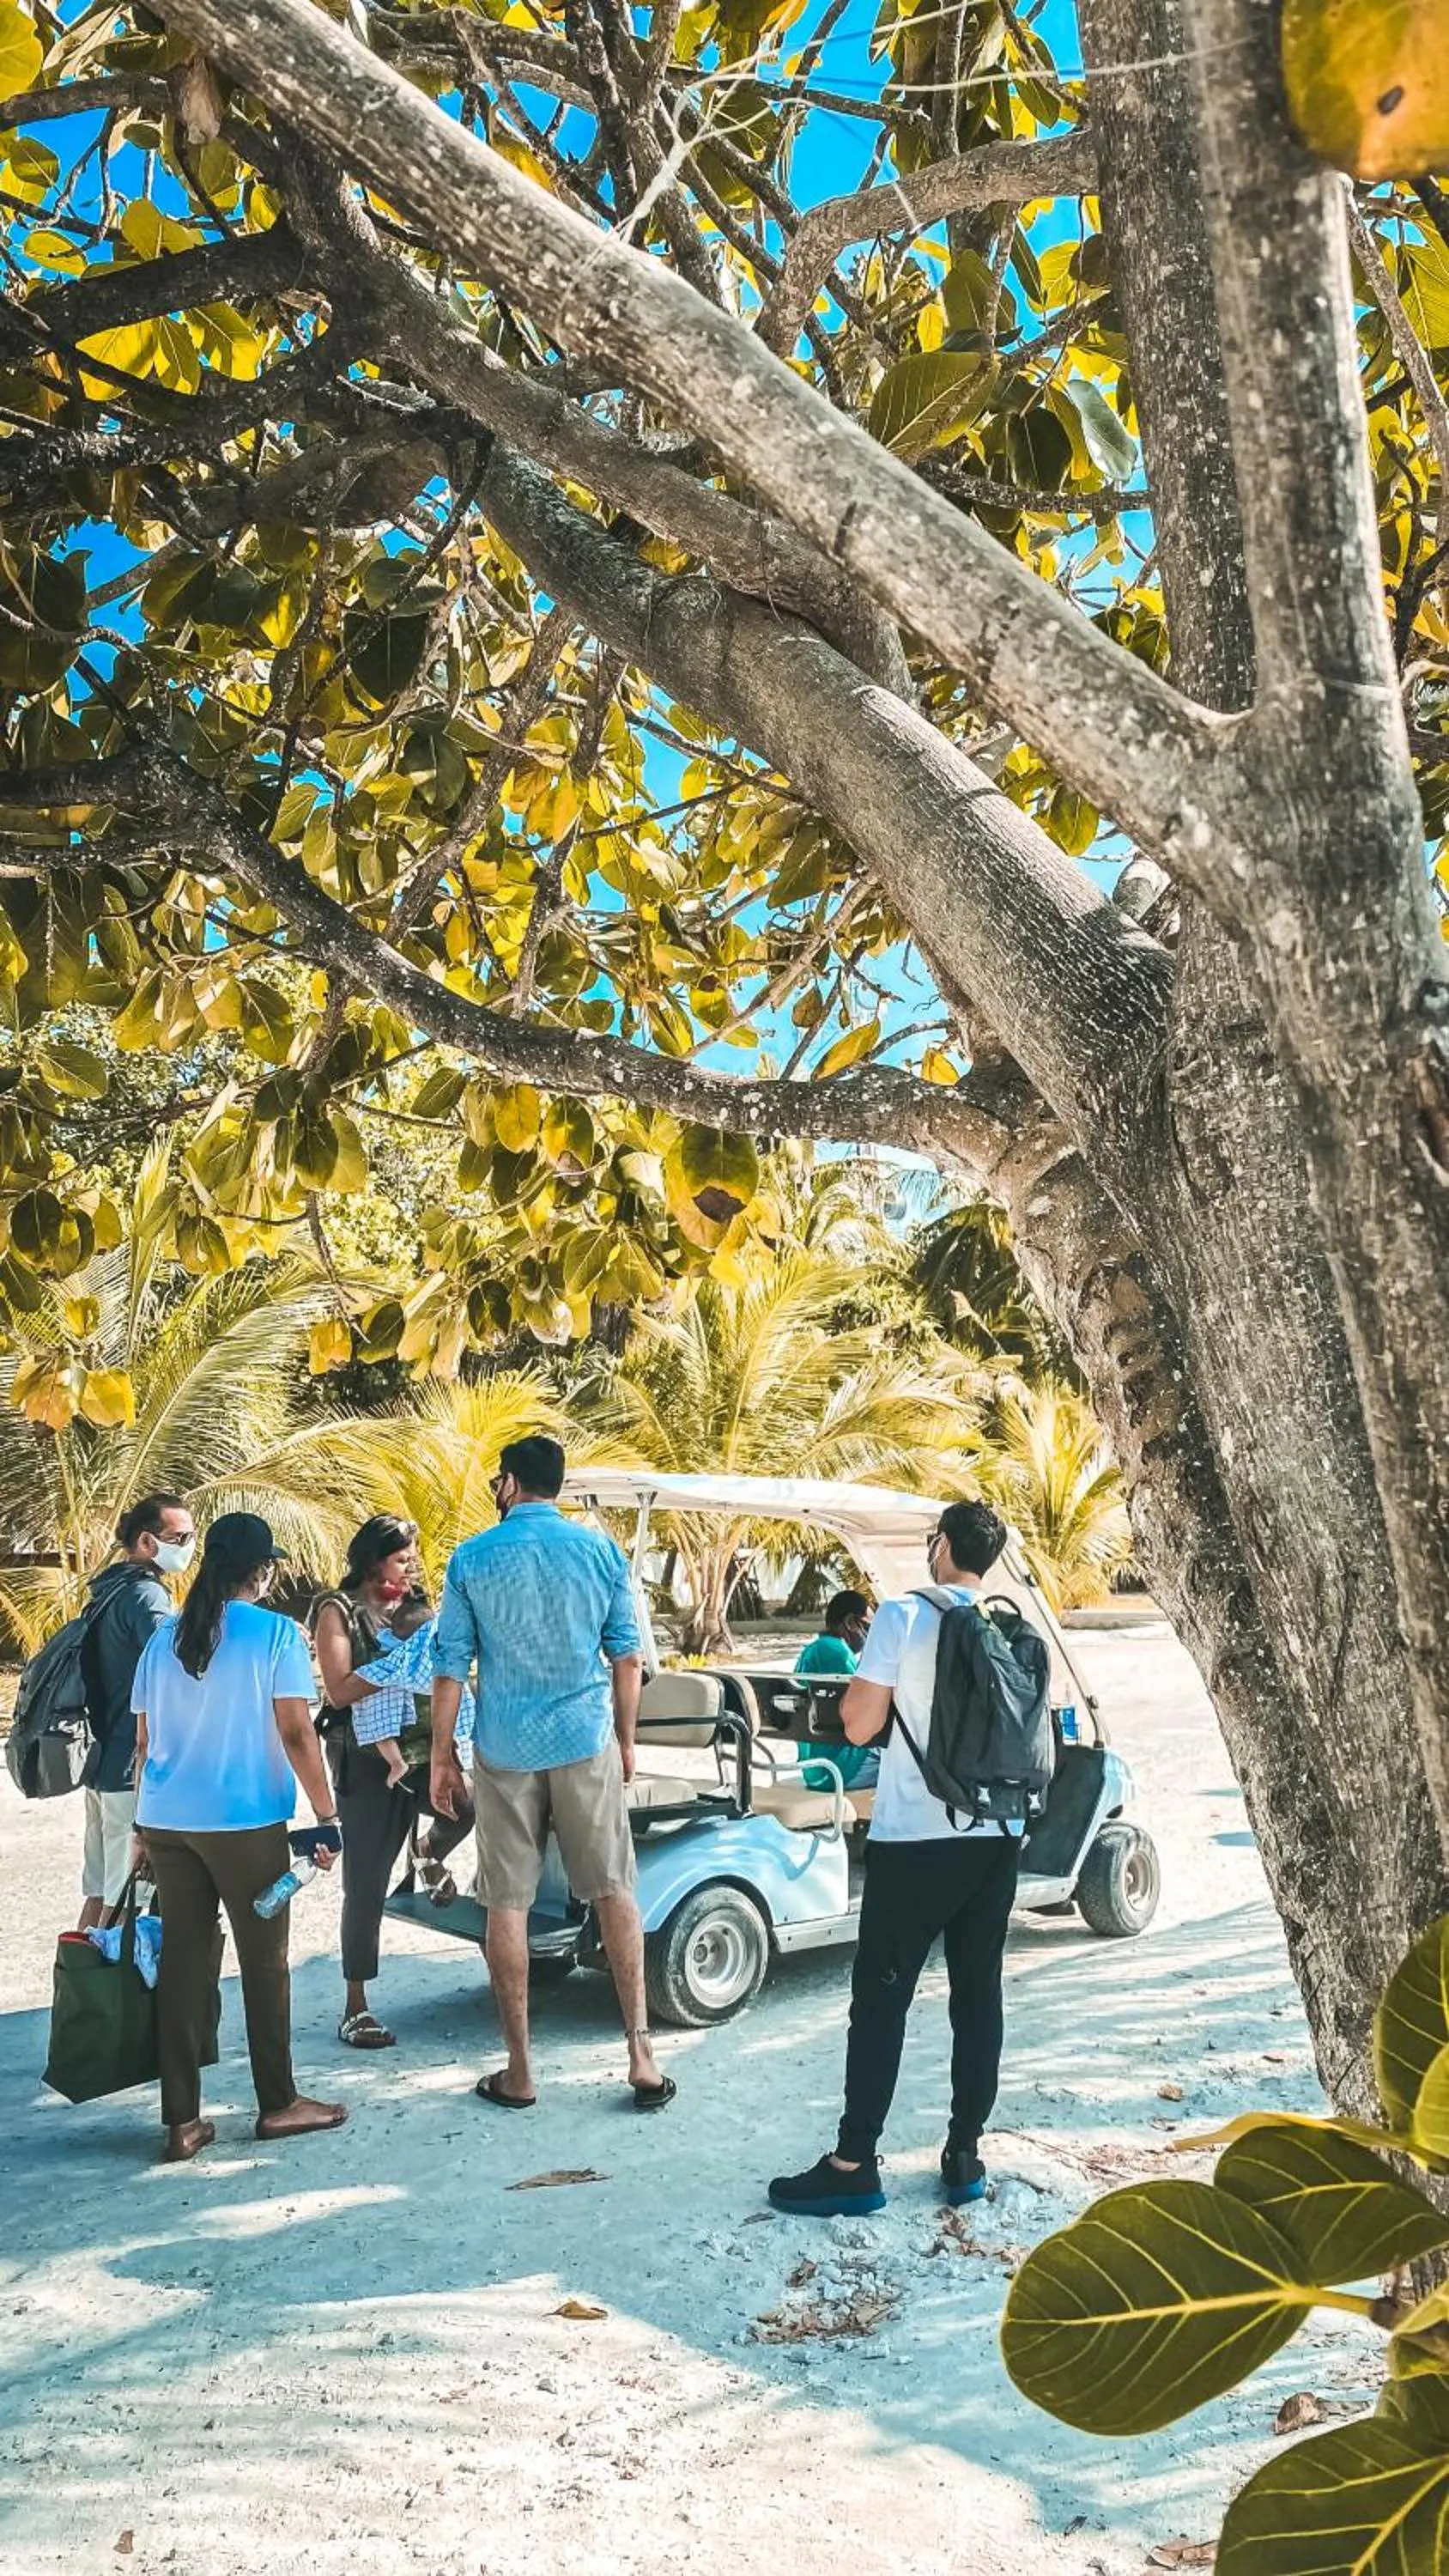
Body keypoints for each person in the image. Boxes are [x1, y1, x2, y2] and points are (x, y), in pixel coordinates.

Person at [769, 1499, 1022, 2219]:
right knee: (979, 1995)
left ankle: (854, 2162)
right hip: (995, 1838)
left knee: (882, 1998)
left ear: (941, 1546)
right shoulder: (1010, 1622)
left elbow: (859, 1721)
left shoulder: (904, 1616)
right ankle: (964, 2155)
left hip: (915, 1838)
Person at [430, 1433, 674, 2113]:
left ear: (508, 1483)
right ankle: (640, 2053)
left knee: (505, 1903)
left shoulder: (471, 1557)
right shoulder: (598, 1551)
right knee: (613, 1889)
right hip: (583, 1739)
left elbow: (451, 1664)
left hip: (505, 1748)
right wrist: (625, 1742)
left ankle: (520, 2070)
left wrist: (443, 1754)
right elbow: (627, 1657)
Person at [131, 1511, 346, 2165]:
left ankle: (181, 2123)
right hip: (244, 1824)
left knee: (184, 1967)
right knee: (263, 1964)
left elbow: (143, 1744)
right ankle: (278, 2102)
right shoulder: (277, 1634)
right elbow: (297, 1734)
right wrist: (325, 1816)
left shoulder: (163, 1638)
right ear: (264, 1570)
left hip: (168, 1823)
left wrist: (141, 1831)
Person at [312, 1517, 474, 2050]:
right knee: (366, 1882)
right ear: (373, 1560)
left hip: (425, 1748)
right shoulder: (338, 1611)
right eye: (402, 1558)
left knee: (466, 1807)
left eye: (413, 1558)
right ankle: (356, 2005)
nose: (411, 1568)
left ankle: (427, 1853)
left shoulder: (418, 1609)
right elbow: (336, 1692)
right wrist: (393, 1669)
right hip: (367, 1761)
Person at [76, 1493, 196, 1932]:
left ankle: (75, 1989)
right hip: (130, 1765)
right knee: (123, 1896)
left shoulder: (107, 1590)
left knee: (99, 1891)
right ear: (147, 1542)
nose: (188, 1546)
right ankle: (108, 1998)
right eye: (179, 1537)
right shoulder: (147, 1598)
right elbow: (176, 1669)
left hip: (103, 1762)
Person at [792, 1590, 880, 1795]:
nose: (871, 1636)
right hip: (840, 1769)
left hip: (814, 1770)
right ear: (850, 1623)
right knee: (914, 1762)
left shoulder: (813, 1650)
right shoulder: (837, 1653)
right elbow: (866, 1702)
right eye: (869, 1628)